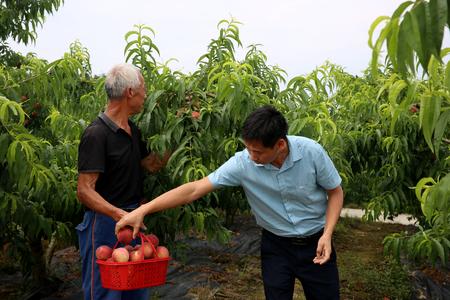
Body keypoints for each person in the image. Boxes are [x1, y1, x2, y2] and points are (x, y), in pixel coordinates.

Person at [116, 105, 344, 300]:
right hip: (276, 246)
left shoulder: (312, 152)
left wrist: (327, 234)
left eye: (258, 152)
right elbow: (195, 188)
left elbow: (335, 192)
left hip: (316, 241)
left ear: (280, 145)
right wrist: (145, 209)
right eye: (248, 149)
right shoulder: (243, 163)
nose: (252, 156)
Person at [76, 63, 169, 300]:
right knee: (105, 292)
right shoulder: (96, 134)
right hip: (106, 222)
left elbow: (152, 164)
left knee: (135, 288)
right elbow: (85, 190)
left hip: (132, 218)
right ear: (130, 92)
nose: (146, 95)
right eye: (143, 89)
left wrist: (181, 132)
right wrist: (118, 214)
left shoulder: (132, 130)